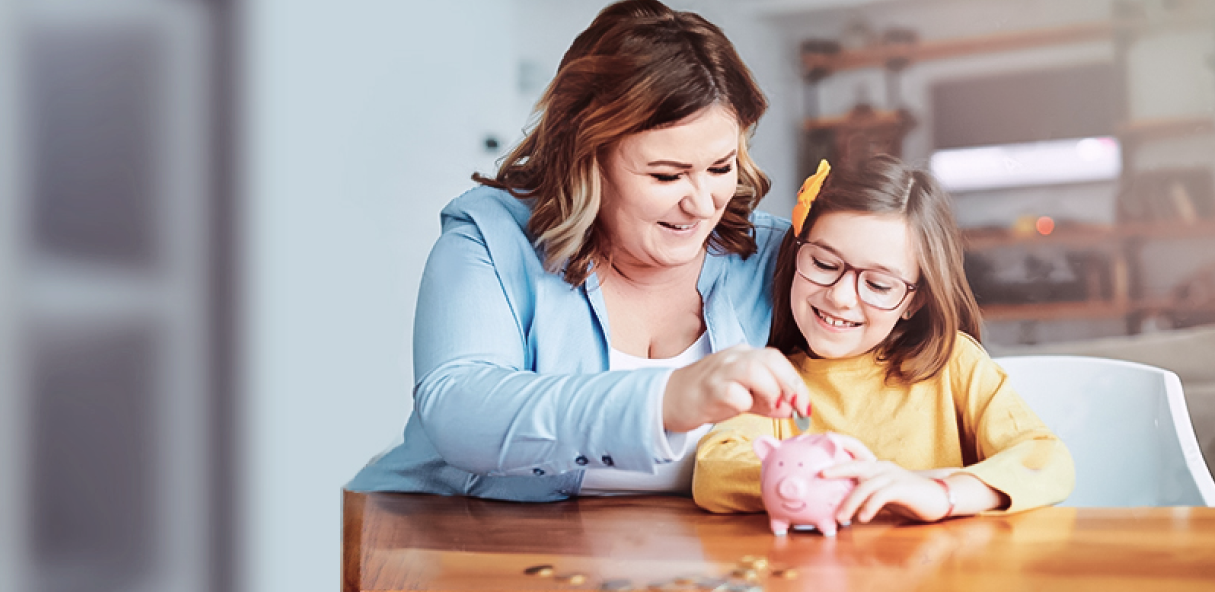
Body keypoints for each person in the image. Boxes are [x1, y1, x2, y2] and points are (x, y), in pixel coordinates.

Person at [347, 0, 809, 502]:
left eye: (720, 168)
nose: (701, 203)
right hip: (451, 547)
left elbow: (894, 354)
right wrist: (664, 400)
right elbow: (457, 409)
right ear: (586, 158)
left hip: (681, 562)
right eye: (665, 175)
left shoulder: (771, 255)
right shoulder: (490, 237)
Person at [692, 155, 1075, 521]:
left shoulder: (954, 364)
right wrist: (839, 482)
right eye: (823, 264)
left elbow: (1045, 459)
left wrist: (942, 493)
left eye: (877, 284)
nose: (841, 297)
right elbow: (715, 471)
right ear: (796, 255)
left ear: (914, 300)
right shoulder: (775, 379)